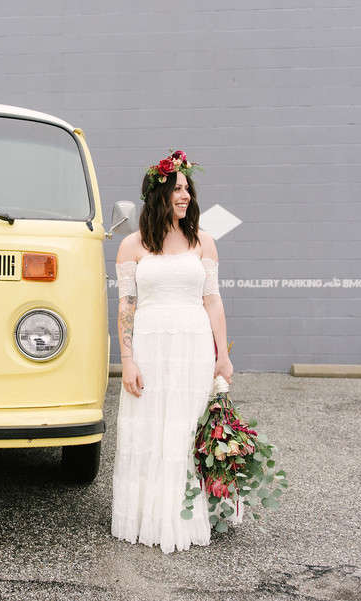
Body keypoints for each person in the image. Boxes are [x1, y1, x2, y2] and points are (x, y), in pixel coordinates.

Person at [111, 150, 238, 553]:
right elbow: (127, 305)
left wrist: (222, 355)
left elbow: (213, 300)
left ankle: (193, 513)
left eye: (188, 189)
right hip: (150, 347)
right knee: (151, 428)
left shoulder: (204, 242)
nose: (185, 196)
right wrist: (127, 359)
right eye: (178, 189)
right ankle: (152, 515)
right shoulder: (132, 245)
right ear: (158, 194)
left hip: (193, 346)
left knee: (188, 426)